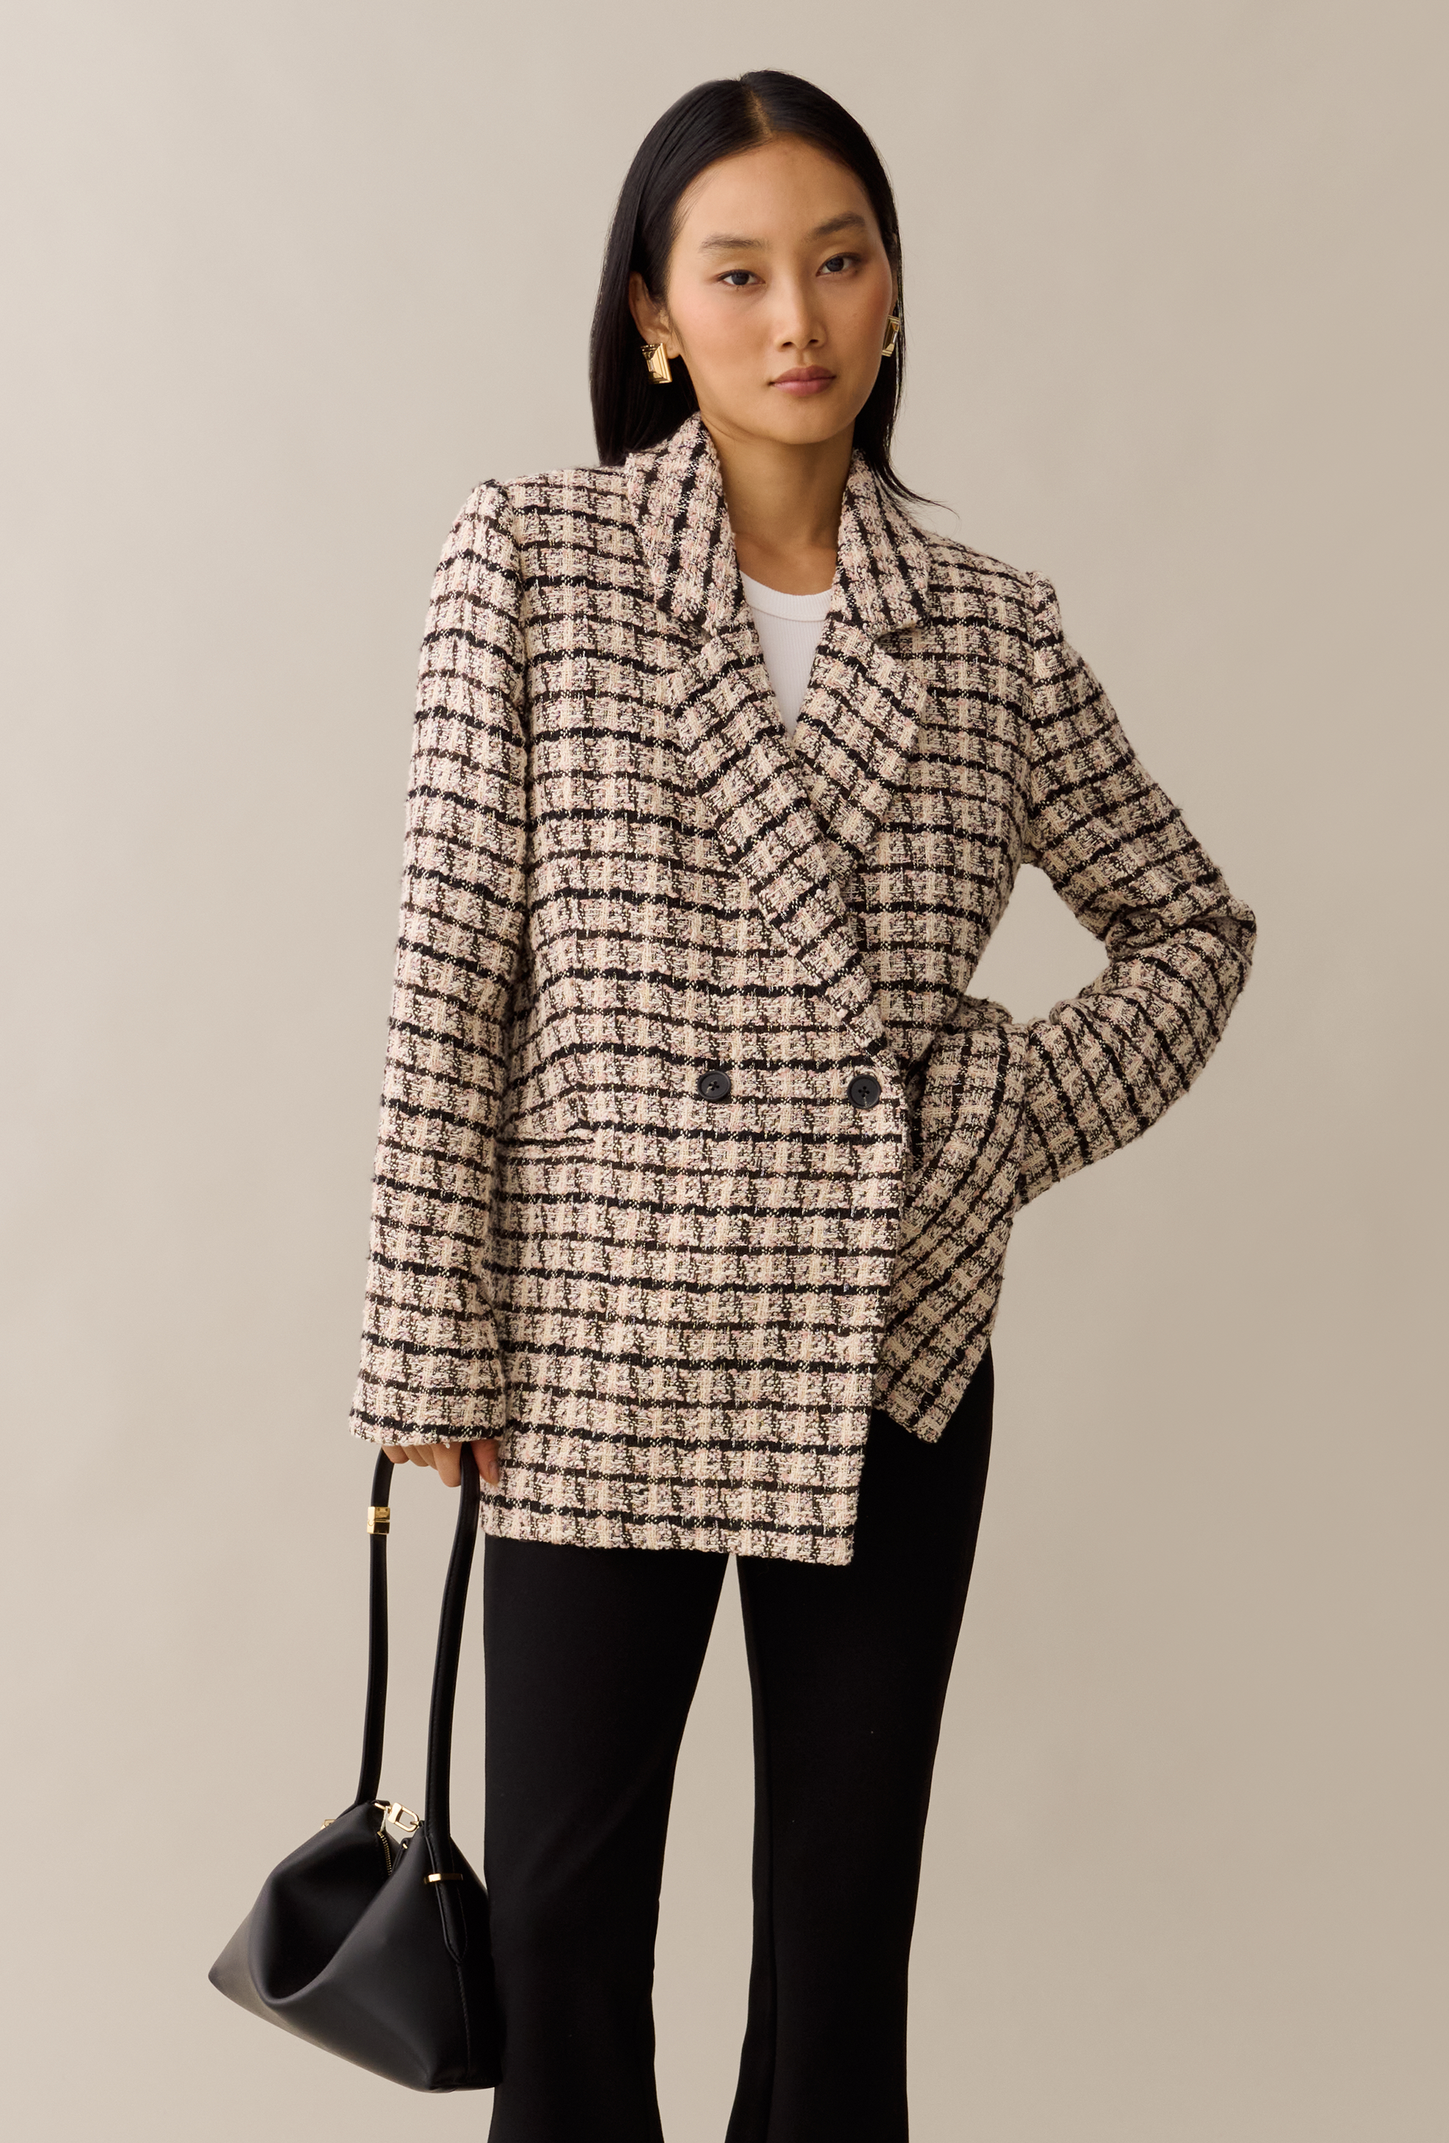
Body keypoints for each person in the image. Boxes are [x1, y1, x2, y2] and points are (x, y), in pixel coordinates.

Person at [351, 68, 1255, 2143]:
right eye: (740, 273)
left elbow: (1190, 926)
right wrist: (425, 1342)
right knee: (564, 1937)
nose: (797, 318)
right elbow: (451, 964)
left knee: (842, 1942)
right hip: (603, 1339)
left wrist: (996, 1113)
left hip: (887, 1337)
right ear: (656, 315)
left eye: (839, 263)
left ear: (894, 290)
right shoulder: (538, 558)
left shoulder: (991, 627)